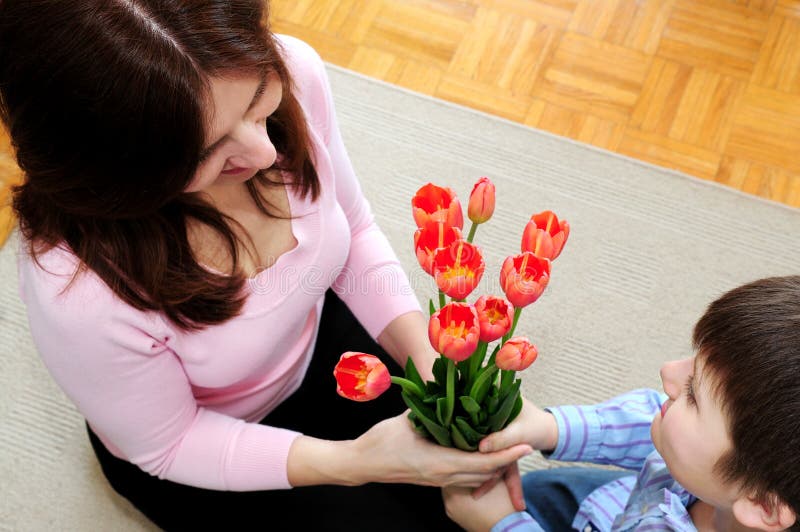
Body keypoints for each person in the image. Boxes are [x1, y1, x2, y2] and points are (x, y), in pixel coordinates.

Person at [0, 1, 532, 530]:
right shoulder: (77, 289)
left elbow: (355, 226)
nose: (262, 152)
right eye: (205, 154)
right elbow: (170, 442)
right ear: (119, 174)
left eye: (258, 104)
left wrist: (424, 355)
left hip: (320, 349)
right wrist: (356, 464)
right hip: (201, 445)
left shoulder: (293, 70)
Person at [444, 275, 800, 532]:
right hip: (631, 500)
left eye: (693, 393)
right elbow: (648, 418)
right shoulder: (719, 469)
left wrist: (500, 524)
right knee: (539, 490)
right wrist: (551, 428)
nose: (668, 372)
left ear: (763, 505)